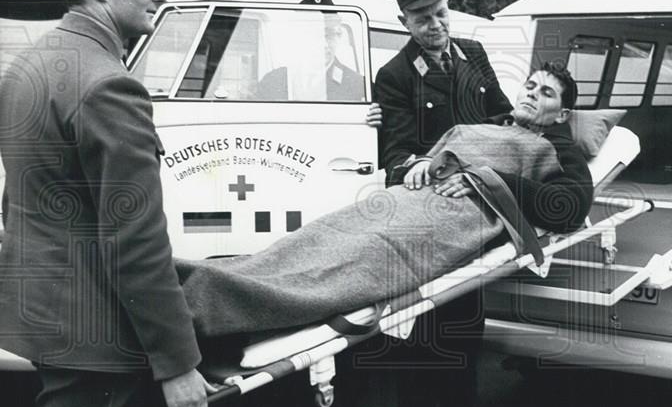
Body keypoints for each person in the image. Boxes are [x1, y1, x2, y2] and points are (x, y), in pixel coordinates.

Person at [0, 0, 214, 407]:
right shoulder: (108, 84)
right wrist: (179, 364)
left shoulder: (30, 66)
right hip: (103, 341)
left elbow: (22, 203)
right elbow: (136, 241)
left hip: (59, 323)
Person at [176, 63, 591, 343]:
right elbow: (432, 155)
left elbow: (567, 208)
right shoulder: (485, 125)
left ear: (561, 114)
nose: (533, 94)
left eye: (547, 94)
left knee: (349, 262)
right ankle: (197, 281)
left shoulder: (556, 148)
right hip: (405, 198)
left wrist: (487, 179)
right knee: (319, 235)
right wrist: (422, 161)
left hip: (445, 219)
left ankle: (205, 303)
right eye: (531, 86)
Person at [372, 0, 513, 407]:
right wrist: (419, 165)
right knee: (425, 320)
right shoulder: (394, 76)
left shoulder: (473, 54)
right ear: (404, 22)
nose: (435, 25)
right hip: (431, 209)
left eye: (441, 13)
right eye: (422, 18)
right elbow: (395, 155)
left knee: (468, 316)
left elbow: (501, 116)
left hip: (476, 204)